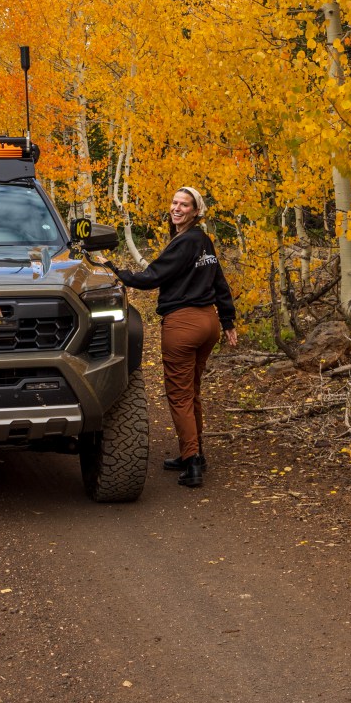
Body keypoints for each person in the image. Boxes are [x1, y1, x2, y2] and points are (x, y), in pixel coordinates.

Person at [107, 186, 237, 489]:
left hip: (184, 324)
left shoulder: (186, 243)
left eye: (185, 205)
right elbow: (220, 282)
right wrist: (227, 319)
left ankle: (191, 464)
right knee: (191, 391)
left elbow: (151, 277)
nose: (177, 208)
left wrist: (116, 272)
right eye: (175, 203)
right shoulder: (203, 241)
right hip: (208, 323)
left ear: (195, 211)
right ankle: (194, 453)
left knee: (179, 395)